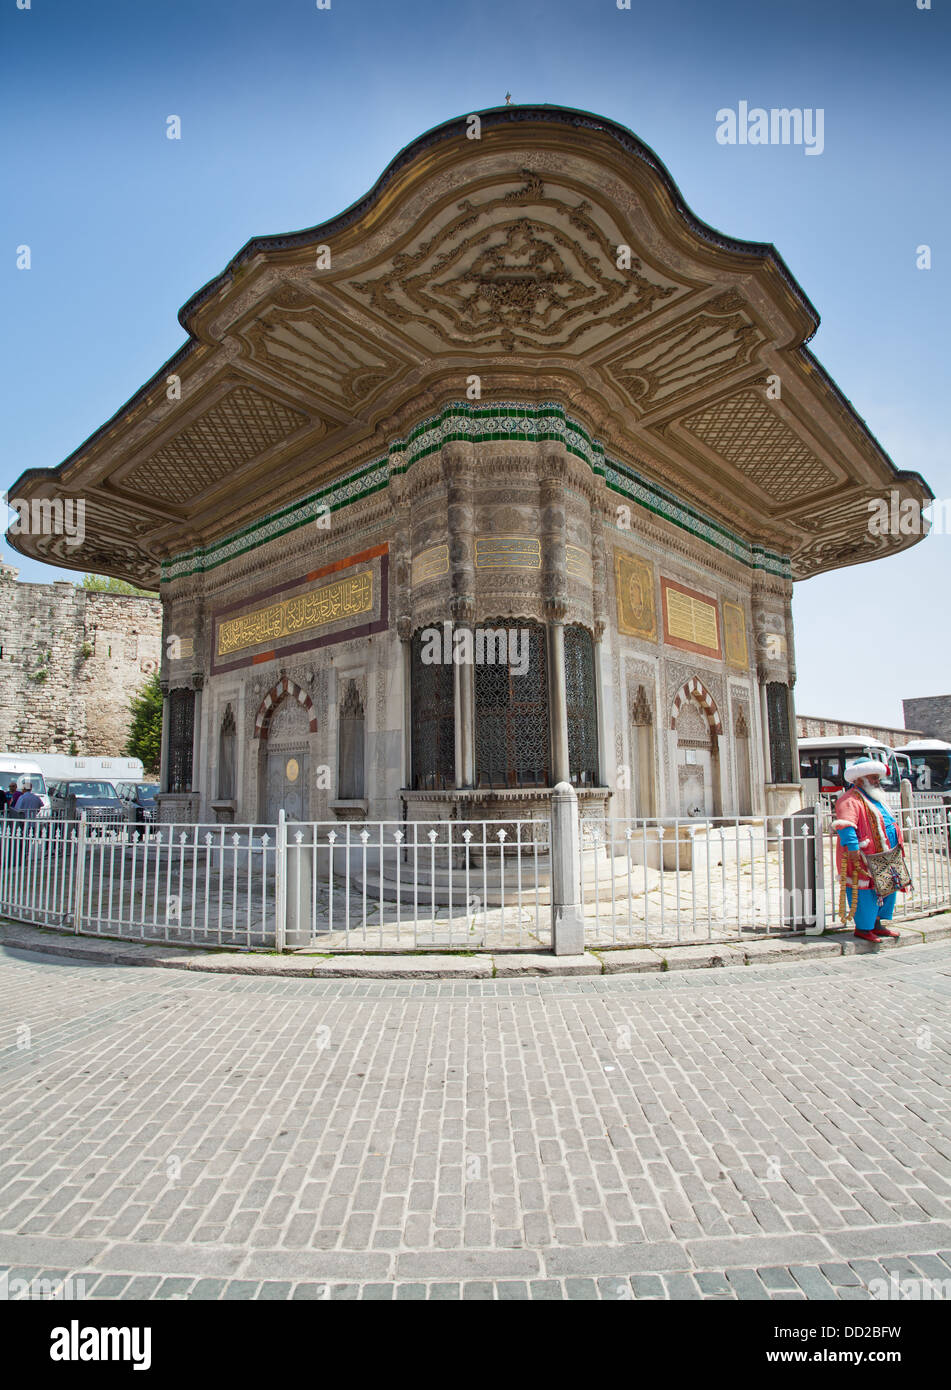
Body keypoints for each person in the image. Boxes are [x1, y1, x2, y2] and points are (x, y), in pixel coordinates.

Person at [833, 759, 907, 943]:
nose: (876, 781)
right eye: (872, 777)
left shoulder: (874, 797)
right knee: (865, 892)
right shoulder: (849, 800)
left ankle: (877, 924)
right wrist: (853, 849)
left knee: (886, 888)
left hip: (886, 856)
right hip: (865, 856)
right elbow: (846, 826)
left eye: (877, 777)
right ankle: (864, 928)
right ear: (859, 779)